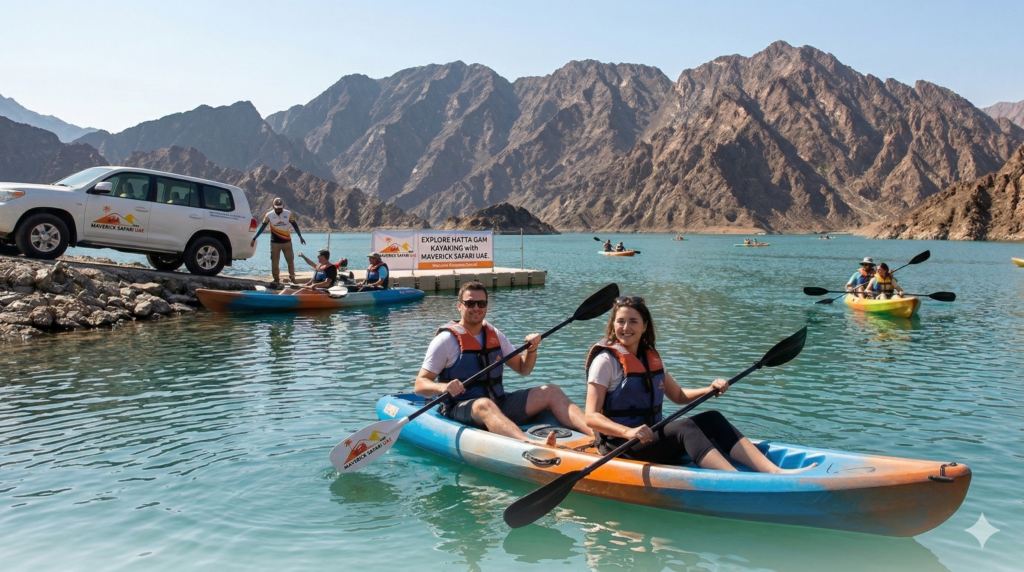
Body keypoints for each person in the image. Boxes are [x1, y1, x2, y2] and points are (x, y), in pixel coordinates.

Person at [583, 296, 815, 473]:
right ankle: (735, 480)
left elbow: (679, 395)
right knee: (685, 427)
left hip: (649, 437)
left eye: (633, 321)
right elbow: (591, 417)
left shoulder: (650, 357)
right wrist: (628, 431)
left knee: (712, 417)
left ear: (645, 325)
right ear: (613, 325)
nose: (626, 328)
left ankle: (774, 471)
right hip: (622, 445)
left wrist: (710, 389)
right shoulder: (605, 362)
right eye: (620, 322)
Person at [414, 281, 593, 444]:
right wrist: (443, 388)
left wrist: (532, 350)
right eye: (470, 303)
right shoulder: (446, 340)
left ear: (486, 306)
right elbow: (419, 385)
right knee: (484, 404)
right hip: (461, 407)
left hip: (499, 402)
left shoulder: (494, 335)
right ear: (459, 305)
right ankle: (531, 444)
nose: (476, 308)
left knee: (551, 391)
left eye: (481, 304)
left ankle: (596, 434)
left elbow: (524, 369)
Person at [251, 197, 306, 284]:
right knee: (275, 262)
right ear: (273, 206)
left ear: (283, 206)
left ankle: (292, 278)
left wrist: (300, 236)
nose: (279, 210)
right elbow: (262, 227)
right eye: (277, 208)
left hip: (287, 242)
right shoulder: (269, 215)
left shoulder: (288, 214)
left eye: (281, 208)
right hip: (275, 243)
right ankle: (276, 279)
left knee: (290, 261)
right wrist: (254, 238)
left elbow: (295, 225)